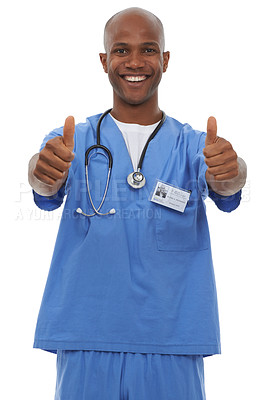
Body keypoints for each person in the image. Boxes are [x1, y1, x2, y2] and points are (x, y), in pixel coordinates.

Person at [28, 7, 247, 400]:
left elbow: (228, 185)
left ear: (164, 60)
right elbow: (43, 185)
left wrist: (231, 171)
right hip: (86, 335)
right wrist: (42, 174)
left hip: (172, 337)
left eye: (148, 49)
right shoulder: (72, 140)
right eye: (121, 50)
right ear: (104, 61)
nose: (134, 62)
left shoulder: (194, 145)